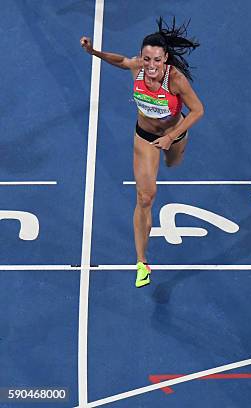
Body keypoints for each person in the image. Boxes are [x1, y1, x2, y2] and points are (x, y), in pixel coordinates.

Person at [80, 18, 205, 288]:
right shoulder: (137, 67)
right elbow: (121, 61)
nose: (150, 66)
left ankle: (174, 148)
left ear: (165, 59)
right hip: (146, 137)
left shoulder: (177, 80)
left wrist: (172, 137)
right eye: (146, 59)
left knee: (174, 165)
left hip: (174, 135)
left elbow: (198, 110)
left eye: (156, 60)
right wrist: (93, 52)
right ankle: (141, 263)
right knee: (145, 196)